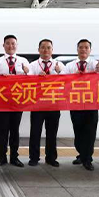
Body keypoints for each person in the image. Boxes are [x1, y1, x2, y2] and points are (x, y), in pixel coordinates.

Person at [0, 35, 30, 168]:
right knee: (2, 130)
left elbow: (31, 81)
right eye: (8, 43)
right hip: (2, 101)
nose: (10, 46)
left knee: (15, 130)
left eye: (13, 43)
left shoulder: (24, 61)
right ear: (3, 45)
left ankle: (14, 157)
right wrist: (0, 78)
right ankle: (1, 157)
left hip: (17, 101)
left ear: (16, 45)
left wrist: (26, 73)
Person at [65, 39, 99, 171]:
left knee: (90, 131)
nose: (83, 50)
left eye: (86, 47)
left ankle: (88, 159)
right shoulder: (70, 66)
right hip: (75, 103)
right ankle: (81, 154)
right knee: (78, 130)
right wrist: (72, 77)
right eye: (81, 47)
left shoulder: (95, 64)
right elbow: (63, 81)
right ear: (77, 49)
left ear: (90, 50)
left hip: (91, 103)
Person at [27, 39, 64, 167]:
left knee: (52, 133)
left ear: (52, 50)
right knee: (35, 132)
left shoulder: (59, 65)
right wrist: (36, 77)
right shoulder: (33, 65)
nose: (45, 50)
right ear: (38, 50)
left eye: (48, 47)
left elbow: (67, 82)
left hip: (54, 104)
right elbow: (27, 82)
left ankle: (51, 158)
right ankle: (34, 157)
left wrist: (59, 73)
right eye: (43, 47)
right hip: (37, 104)